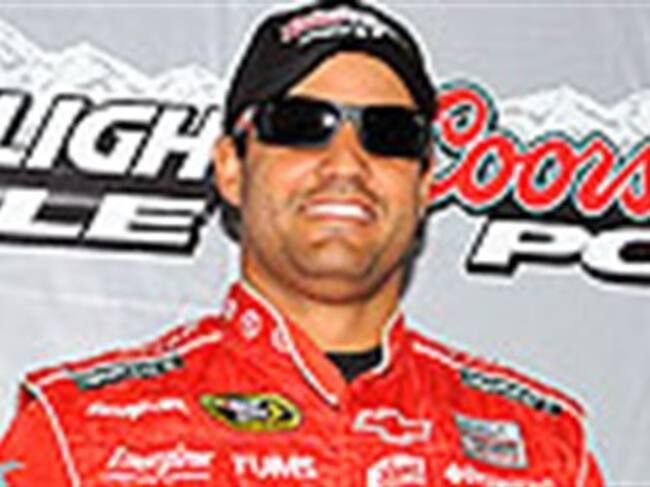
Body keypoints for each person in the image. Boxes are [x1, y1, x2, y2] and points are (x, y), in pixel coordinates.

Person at [0, 0, 604, 485]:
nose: (346, 163)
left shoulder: (547, 448)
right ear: (231, 167)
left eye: (389, 134)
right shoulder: (78, 432)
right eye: (300, 125)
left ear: (424, 184)